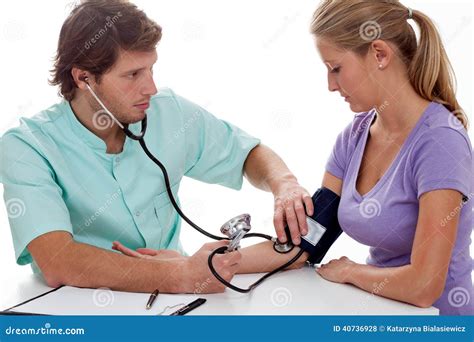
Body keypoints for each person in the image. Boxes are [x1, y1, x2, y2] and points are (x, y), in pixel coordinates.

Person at [0, 0, 311, 294]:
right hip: (78, 305)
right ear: (84, 78)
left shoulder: (168, 112)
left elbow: (247, 153)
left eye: (151, 69)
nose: (150, 88)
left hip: (181, 299)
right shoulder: (26, 147)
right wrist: (181, 275)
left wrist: (283, 184)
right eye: (133, 74)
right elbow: (57, 261)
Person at [309, 0, 472, 315]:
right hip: (382, 312)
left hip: (442, 321)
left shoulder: (440, 142)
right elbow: (311, 238)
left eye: (336, 68)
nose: (330, 85)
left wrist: (350, 271)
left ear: (380, 54)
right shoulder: (355, 135)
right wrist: (215, 261)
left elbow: (424, 286)